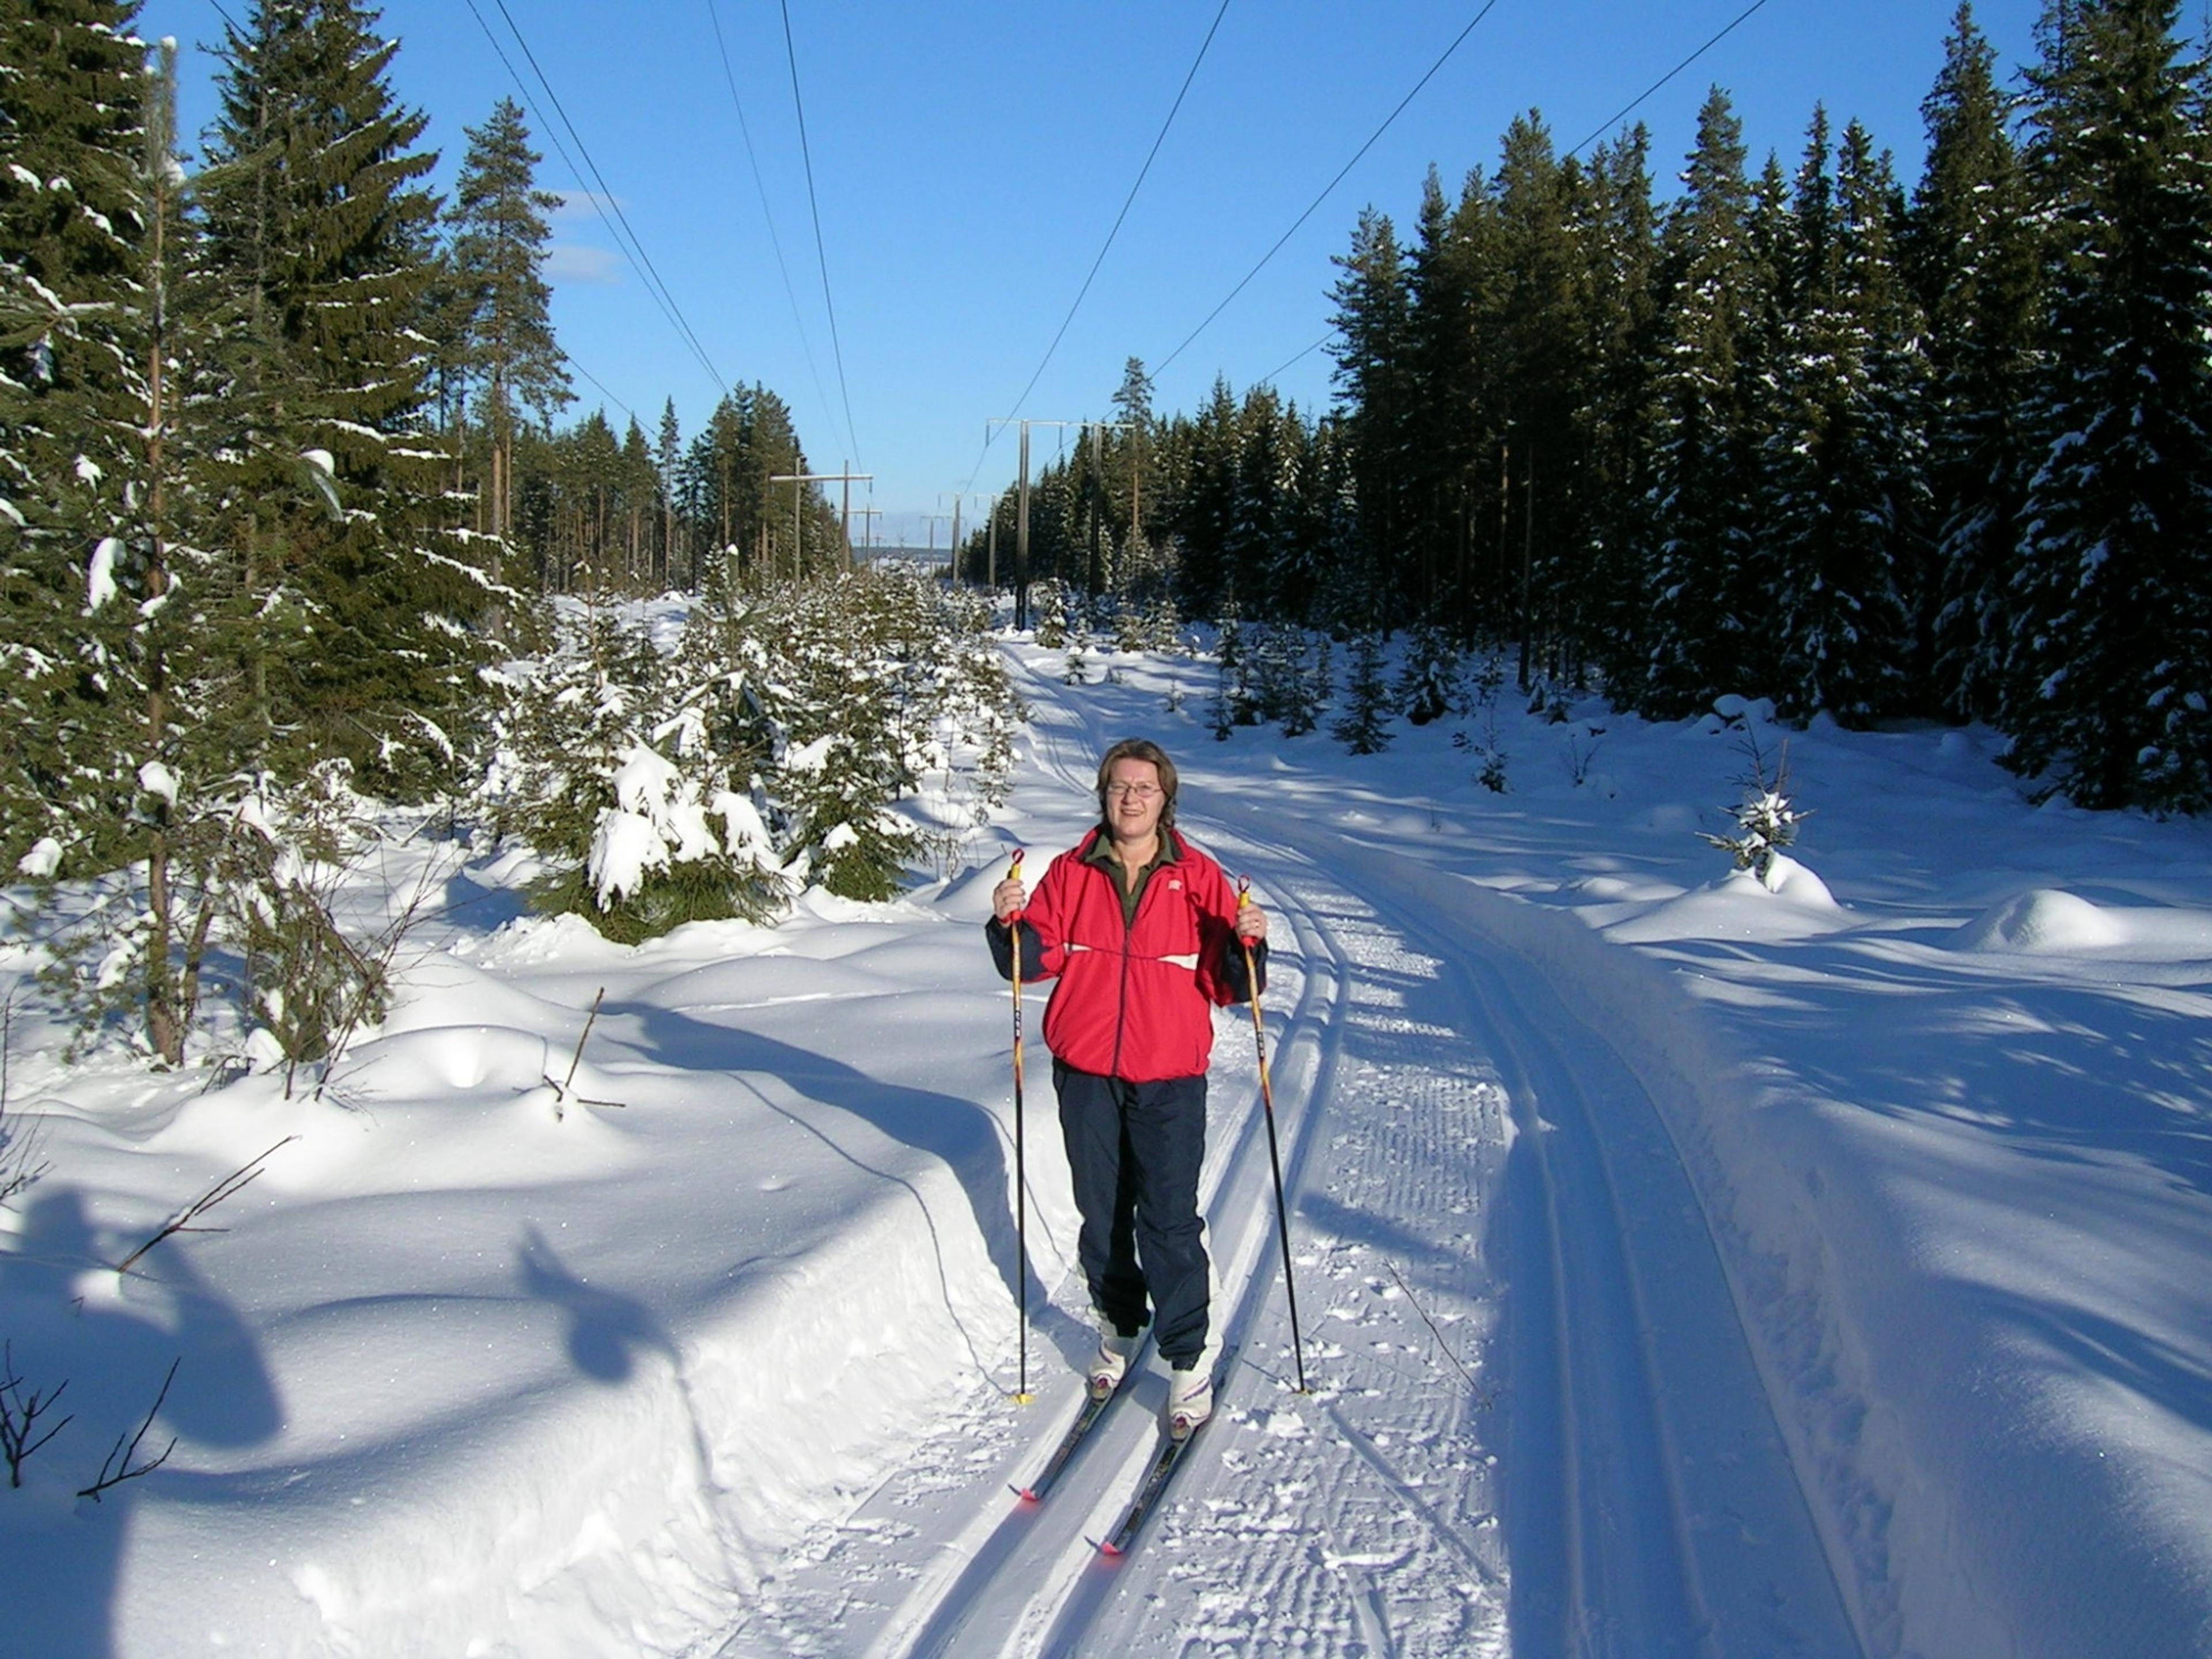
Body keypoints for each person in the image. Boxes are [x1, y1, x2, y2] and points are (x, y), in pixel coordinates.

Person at [986, 736, 1267, 1438]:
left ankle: (1188, 1358)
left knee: (1167, 1221)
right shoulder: (1072, 873)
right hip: (1086, 1072)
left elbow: (1232, 987)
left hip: (1170, 1078)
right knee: (1101, 1212)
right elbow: (1031, 962)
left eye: (1145, 788)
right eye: (1119, 787)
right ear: (1103, 794)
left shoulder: (1200, 877)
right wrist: (1006, 921)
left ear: (1165, 799)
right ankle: (1119, 1323)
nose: (1131, 799)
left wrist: (1249, 943)